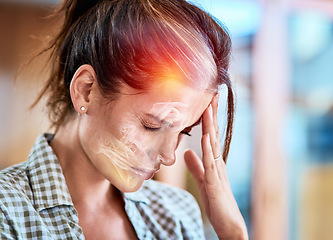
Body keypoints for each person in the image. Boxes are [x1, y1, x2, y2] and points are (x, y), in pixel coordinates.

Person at [0, 0, 248, 239]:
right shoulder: (7, 211)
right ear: (86, 90)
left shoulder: (176, 215)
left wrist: (234, 235)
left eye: (183, 131)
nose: (170, 157)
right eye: (151, 125)